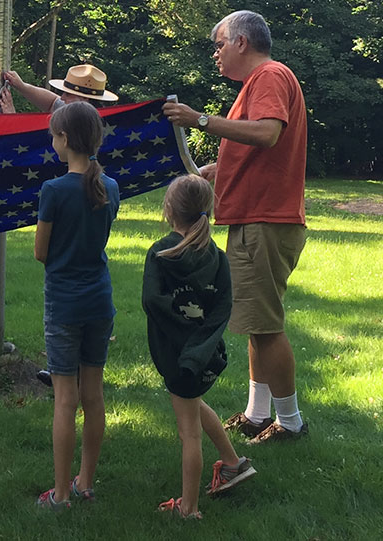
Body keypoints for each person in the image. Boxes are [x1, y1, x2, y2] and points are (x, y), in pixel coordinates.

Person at [162, 10, 308, 443]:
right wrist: (218, 166)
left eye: (219, 44)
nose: (216, 54)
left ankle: (291, 423)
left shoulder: (269, 76)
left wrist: (199, 120)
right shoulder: (256, 84)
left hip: (265, 219)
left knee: (266, 325)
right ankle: (257, 414)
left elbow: (266, 134)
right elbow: (256, 147)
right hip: (254, 218)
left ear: (242, 42)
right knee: (253, 321)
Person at [142, 175, 257, 519]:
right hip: (203, 356)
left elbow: (152, 301)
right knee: (193, 405)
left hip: (179, 358)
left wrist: (184, 345)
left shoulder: (161, 253)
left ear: (168, 210)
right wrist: (199, 346)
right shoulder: (218, 258)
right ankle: (234, 463)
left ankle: (188, 508)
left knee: (188, 433)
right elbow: (222, 310)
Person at [33, 101, 119, 510]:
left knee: (65, 400)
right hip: (100, 301)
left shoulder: (53, 190)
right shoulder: (112, 186)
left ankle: (61, 494)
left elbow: (40, 252)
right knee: (94, 395)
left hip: (64, 305)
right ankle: (86, 482)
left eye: (54, 135)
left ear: (65, 140)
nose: (52, 141)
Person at [0, 64, 118, 114]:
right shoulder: (74, 110)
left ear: (85, 99)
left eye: (68, 94)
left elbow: (37, 146)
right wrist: (22, 86)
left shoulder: (83, 127)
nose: (62, 97)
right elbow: (52, 102)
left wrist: (12, 117)